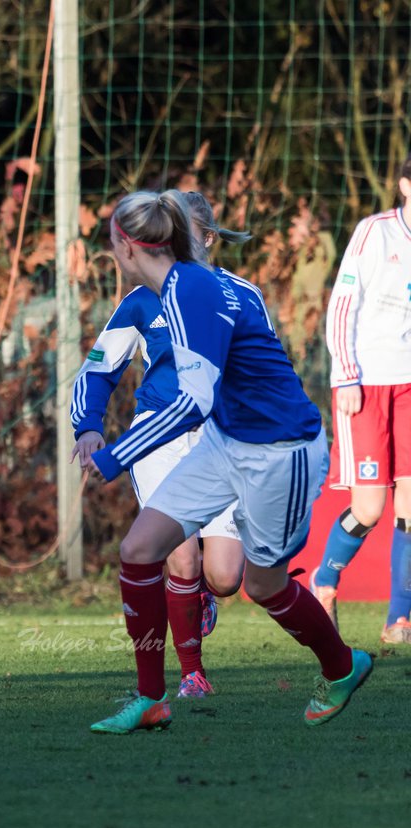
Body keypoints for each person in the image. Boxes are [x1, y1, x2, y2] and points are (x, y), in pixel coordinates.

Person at [80, 189, 371, 734]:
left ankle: (342, 664)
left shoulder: (191, 290)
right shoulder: (176, 288)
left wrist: (117, 455)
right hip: (227, 440)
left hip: (279, 450)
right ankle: (151, 698)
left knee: (260, 585)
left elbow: (194, 401)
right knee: (141, 550)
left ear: (124, 246)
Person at [70, 192, 249, 700]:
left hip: (219, 441)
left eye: (185, 237)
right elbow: (98, 369)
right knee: (182, 559)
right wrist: (87, 424)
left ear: (209, 239)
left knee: (225, 575)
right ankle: (192, 672)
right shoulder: (142, 301)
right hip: (157, 438)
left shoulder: (239, 295)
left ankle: (199, 600)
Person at [309, 158, 411, 644]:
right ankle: (325, 582)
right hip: (367, 383)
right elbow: (342, 306)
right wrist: (345, 374)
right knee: (369, 507)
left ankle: (399, 620)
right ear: (405, 186)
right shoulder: (375, 233)